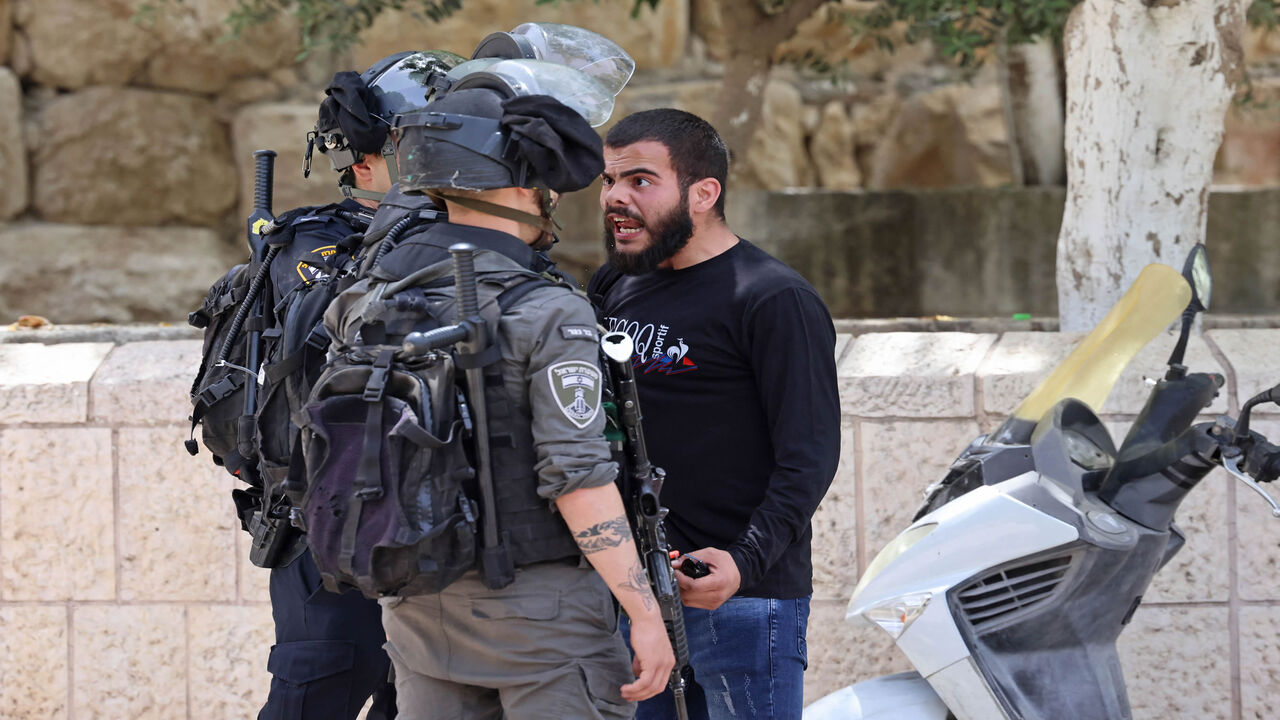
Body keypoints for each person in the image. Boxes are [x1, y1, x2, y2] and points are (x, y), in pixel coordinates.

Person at [348, 81, 676, 720]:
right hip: (542, 618)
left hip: (418, 608)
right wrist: (644, 612)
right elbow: (578, 479)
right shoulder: (550, 311)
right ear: (526, 186)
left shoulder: (366, 303)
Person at [207, 51, 460, 720]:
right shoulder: (315, 251)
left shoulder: (460, 238)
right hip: (329, 542)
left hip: (436, 538)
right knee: (320, 692)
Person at [588, 108, 842, 720]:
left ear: (704, 193)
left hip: (743, 603)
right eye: (609, 181)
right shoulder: (611, 287)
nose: (617, 198)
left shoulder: (772, 297)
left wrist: (744, 561)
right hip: (637, 603)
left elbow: (808, 456)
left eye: (640, 181)